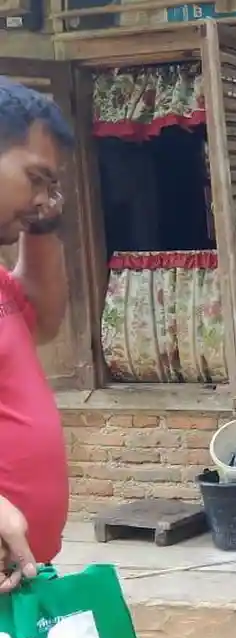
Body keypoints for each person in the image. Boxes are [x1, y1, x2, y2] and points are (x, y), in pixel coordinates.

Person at [0, 77, 74, 593]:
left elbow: (42, 321)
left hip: (20, 572)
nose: (45, 200)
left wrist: (41, 225)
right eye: (36, 178)